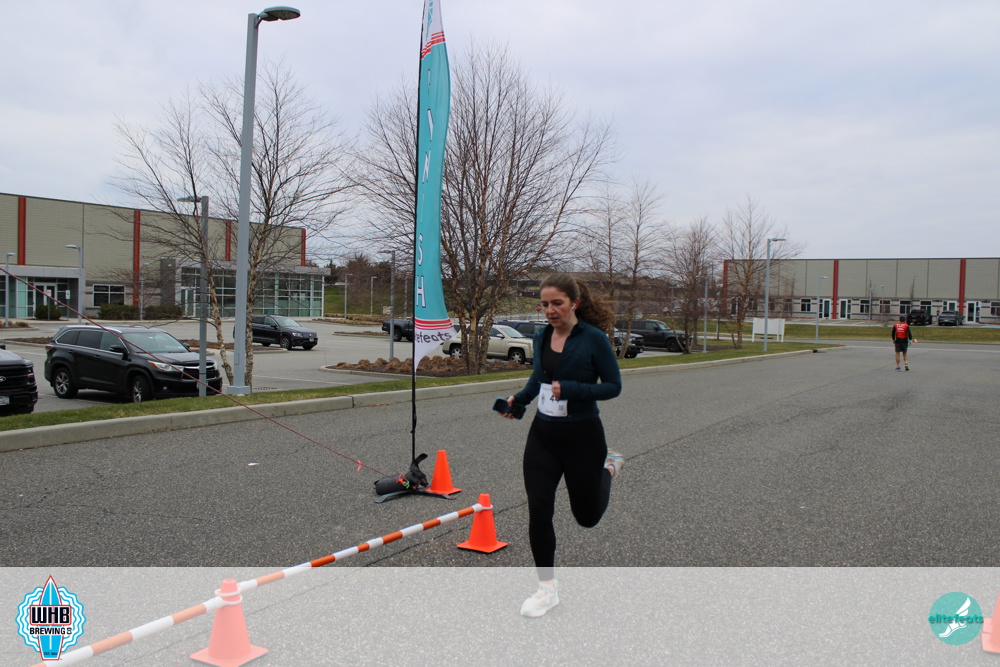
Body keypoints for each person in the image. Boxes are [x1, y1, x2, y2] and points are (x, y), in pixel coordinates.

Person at [499, 274, 623, 618]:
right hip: (544, 436)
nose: (550, 310)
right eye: (545, 304)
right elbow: (538, 379)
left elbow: (613, 386)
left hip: (583, 437)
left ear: (574, 303)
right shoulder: (541, 337)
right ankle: (547, 590)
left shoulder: (594, 339)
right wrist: (518, 401)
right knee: (539, 510)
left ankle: (608, 468)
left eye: (557, 303)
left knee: (587, 517)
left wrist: (572, 389)